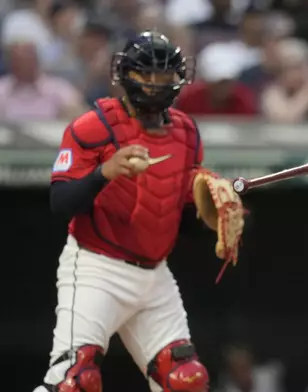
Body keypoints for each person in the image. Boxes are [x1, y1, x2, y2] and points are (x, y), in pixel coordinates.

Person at [33, 30, 245, 392]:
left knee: (186, 381)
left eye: (164, 74)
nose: (155, 83)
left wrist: (214, 212)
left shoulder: (187, 132)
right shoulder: (94, 126)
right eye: (146, 73)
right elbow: (61, 203)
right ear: (125, 75)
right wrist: (105, 172)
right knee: (75, 383)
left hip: (154, 277)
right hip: (96, 267)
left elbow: (172, 212)